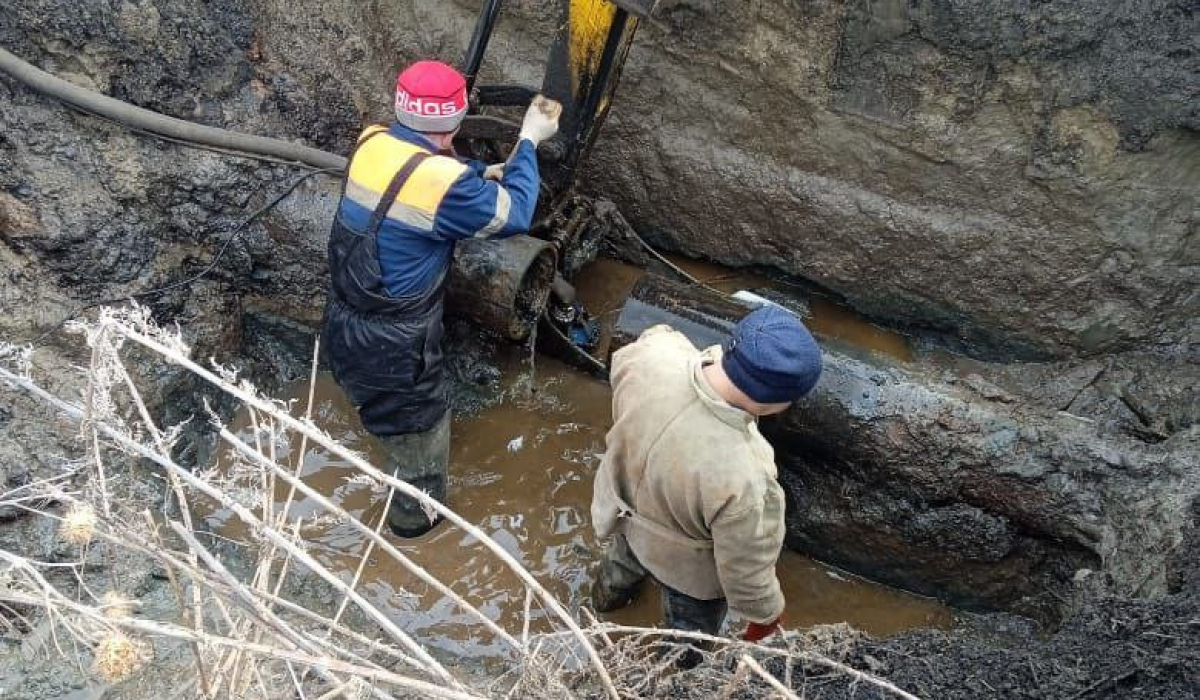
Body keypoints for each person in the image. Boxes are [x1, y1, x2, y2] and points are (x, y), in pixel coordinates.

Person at [322, 60, 560, 537]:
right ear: (453, 123)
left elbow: (420, 170)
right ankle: (413, 537)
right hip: (395, 344)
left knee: (381, 417)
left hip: (344, 320)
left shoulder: (372, 142)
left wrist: (479, 172)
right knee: (420, 454)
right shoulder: (446, 185)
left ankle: (390, 454)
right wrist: (529, 140)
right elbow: (514, 213)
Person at [590, 305, 823, 641]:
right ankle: (678, 674)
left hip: (621, 512)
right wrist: (767, 615)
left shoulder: (654, 354)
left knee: (618, 570)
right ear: (775, 404)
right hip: (684, 567)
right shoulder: (748, 476)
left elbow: (654, 337)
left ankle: (600, 611)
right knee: (690, 635)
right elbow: (745, 571)